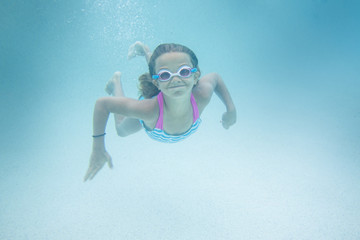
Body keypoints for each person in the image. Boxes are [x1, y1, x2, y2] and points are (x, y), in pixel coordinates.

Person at [84, 41, 237, 181]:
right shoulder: (148, 111)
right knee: (121, 130)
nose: (176, 79)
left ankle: (147, 53)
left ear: (196, 76)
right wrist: (98, 148)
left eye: (184, 72)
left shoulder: (202, 95)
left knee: (164, 67)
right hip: (155, 118)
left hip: (164, 93)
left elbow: (215, 77)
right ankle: (116, 82)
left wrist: (231, 109)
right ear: (155, 83)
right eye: (165, 76)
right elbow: (102, 104)